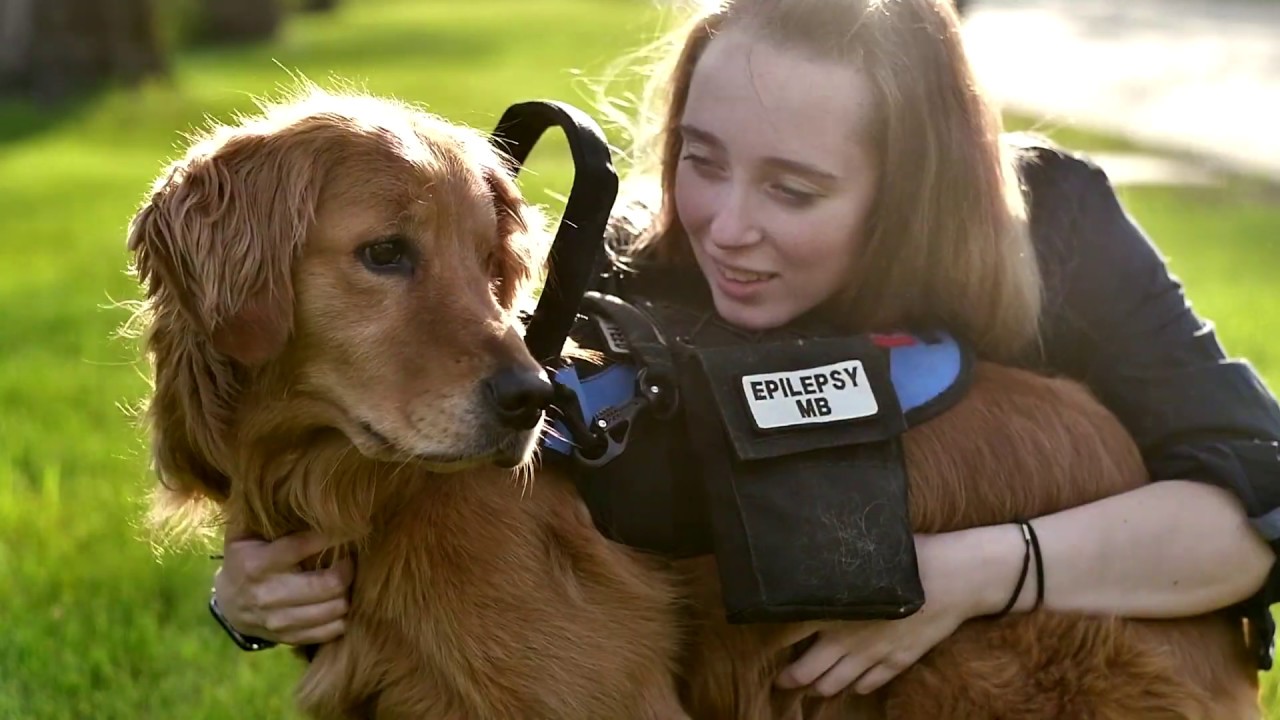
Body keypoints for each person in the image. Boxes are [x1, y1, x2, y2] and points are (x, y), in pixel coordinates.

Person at [208, 0, 1280, 700]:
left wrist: (943, 574)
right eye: (700, 159)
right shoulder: (632, 252)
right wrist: (252, 589)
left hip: (1065, 656)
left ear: (909, 186)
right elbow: (424, 417)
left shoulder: (1055, 225)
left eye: (793, 189)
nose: (723, 225)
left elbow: (1260, 504)